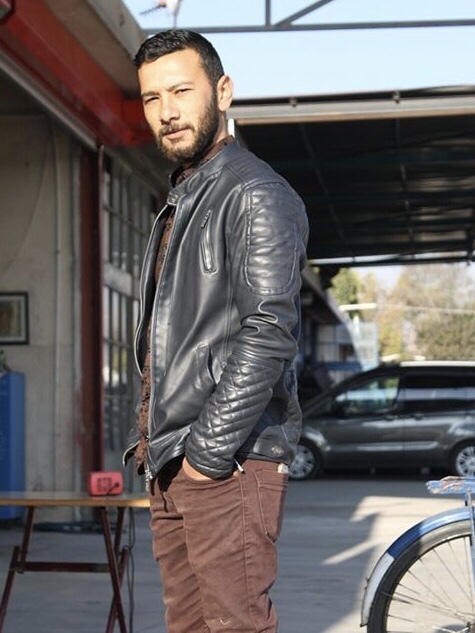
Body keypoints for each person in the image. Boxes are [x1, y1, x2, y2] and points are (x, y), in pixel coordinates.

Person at [124, 29, 308, 633]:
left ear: (222, 91)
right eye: (152, 98)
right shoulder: (186, 196)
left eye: (181, 91)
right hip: (175, 460)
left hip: (227, 461)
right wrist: (170, 455)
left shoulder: (254, 193)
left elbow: (269, 329)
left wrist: (207, 453)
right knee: (190, 626)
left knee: (235, 625)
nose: (167, 112)